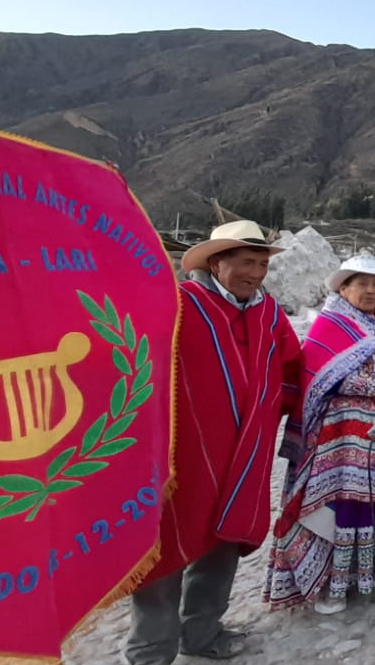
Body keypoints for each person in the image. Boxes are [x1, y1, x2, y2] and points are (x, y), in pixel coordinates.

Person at [126, 220, 302, 665]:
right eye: (246, 262)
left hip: (244, 458)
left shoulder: (269, 313)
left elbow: (291, 368)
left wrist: (270, 410)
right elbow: (135, 359)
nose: (255, 273)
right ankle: (150, 653)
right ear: (217, 262)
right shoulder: (178, 304)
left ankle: (202, 633)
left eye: (262, 264)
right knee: (163, 554)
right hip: (181, 459)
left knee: (222, 545)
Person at [265, 256, 375, 614]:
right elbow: (320, 376)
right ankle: (330, 585)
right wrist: (374, 387)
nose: (371, 290)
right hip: (342, 441)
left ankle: (371, 574)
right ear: (343, 288)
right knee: (341, 507)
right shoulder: (329, 325)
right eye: (362, 283)